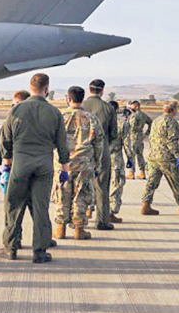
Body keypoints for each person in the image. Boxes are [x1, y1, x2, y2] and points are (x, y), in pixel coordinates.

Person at [0, 73, 69, 264]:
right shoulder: (54, 113)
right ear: (47, 89)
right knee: (40, 208)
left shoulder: (17, 110)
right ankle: (40, 251)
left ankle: (11, 248)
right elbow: (62, 143)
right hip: (44, 165)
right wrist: (65, 168)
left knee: (14, 206)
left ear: (31, 87)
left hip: (20, 163)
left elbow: (5, 139)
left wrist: (6, 163)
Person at [52, 87, 101, 241]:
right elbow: (99, 144)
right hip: (84, 163)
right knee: (81, 195)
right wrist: (97, 164)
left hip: (62, 164)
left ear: (68, 98)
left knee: (62, 194)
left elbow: (51, 140)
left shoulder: (59, 117)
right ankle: (79, 230)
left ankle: (60, 229)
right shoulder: (92, 119)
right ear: (82, 98)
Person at [141, 101, 179, 215]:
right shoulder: (171, 122)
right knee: (176, 182)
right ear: (173, 110)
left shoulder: (156, 121)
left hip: (153, 157)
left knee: (151, 182)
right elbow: (172, 141)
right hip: (166, 158)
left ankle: (146, 205)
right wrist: (178, 156)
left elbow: (152, 138)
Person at [0, 90, 31, 248]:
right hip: (33, 168)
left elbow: (0, 144)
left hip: (14, 168)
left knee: (12, 208)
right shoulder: (36, 121)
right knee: (37, 208)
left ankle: (13, 242)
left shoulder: (10, 121)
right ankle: (41, 242)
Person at [82, 79, 119, 229]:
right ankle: (102, 221)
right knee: (101, 186)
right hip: (101, 150)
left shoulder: (81, 105)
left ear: (89, 89)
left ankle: (79, 219)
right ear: (102, 91)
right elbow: (114, 133)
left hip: (81, 150)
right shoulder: (107, 107)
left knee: (79, 185)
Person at [109, 101, 130, 217]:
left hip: (100, 157)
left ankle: (90, 209)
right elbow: (126, 142)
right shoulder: (122, 124)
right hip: (116, 157)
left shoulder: (98, 121)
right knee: (116, 184)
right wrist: (130, 157)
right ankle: (112, 212)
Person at [126, 100, 152, 179]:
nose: (131, 107)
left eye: (132, 106)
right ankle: (142, 172)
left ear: (137, 106)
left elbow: (132, 127)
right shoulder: (144, 115)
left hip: (133, 136)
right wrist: (146, 133)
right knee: (140, 155)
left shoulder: (134, 116)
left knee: (131, 155)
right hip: (140, 137)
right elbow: (151, 123)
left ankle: (131, 173)